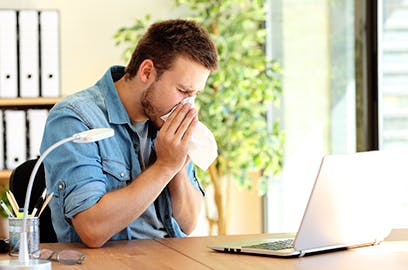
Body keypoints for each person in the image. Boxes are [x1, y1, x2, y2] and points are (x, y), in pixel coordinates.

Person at [40, 19, 218, 248]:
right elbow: (92, 230)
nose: (189, 105)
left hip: (170, 258)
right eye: (183, 91)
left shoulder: (165, 120)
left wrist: (177, 166)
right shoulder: (75, 118)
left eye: (195, 94)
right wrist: (164, 166)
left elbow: (188, 223)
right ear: (147, 72)